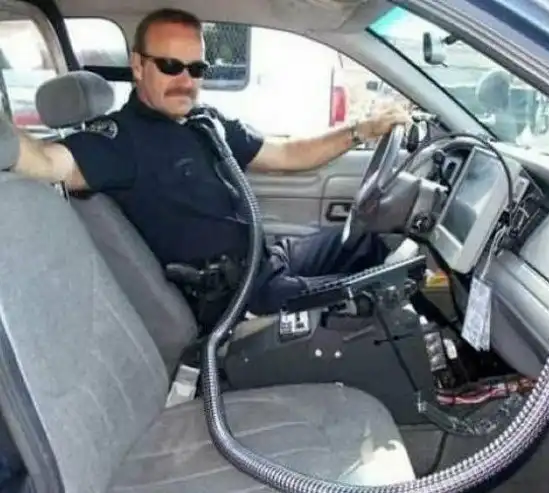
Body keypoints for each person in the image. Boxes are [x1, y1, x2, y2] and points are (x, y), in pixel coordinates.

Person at [6, 8, 411, 328]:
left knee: (372, 245)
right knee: (384, 294)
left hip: (266, 261)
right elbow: (47, 162)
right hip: (240, 299)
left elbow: (287, 154)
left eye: (196, 68)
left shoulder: (204, 122)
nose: (185, 81)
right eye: (170, 66)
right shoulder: (118, 141)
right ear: (138, 65)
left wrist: (361, 130)